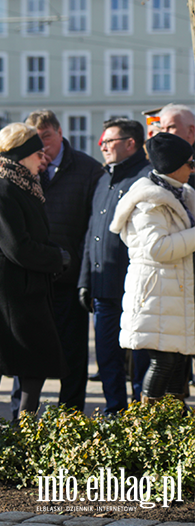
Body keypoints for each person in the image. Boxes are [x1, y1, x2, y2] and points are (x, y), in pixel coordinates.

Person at [0, 123, 69, 415]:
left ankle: (22, 424)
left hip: (21, 283)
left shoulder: (21, 186)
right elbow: (18, 246)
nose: (44, 159)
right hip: (6, 285)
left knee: (32, 357)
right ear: (23, 155)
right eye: (38, 153)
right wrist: (58, 257)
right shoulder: (0, 189)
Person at [16, 110, 103, 413]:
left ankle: (71, 413)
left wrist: (78, 267)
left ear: (60, 132)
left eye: (46, 137)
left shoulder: (89, 170)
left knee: (72, 352)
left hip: (69, 278)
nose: (42, 145)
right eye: (34, 139)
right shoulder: (23, 170)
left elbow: (93, 226)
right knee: (27, 350)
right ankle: (22, 414)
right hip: (31, 277)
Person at [110, 133, 195, 404]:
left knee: (176, 363)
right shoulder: (149, 200)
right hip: (155, 292)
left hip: (173, 292)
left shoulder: (182, 193)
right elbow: (157, 249)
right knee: (163, 362)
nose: (193, 169)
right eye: (190, 163)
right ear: (173, 165)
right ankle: (145, 424)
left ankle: (170, 427)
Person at [78, 119, 152, 415]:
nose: (103, 146)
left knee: (142, 360)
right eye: (102, 142)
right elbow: (92, 232)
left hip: (137, 288)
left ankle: (143, 418)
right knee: (107, 357)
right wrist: (86, 279)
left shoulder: (146, 178)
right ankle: (114, 414)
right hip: (104, 287)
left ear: (130, 143)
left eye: (109, 141)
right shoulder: (103, 179)